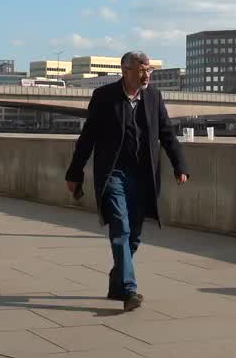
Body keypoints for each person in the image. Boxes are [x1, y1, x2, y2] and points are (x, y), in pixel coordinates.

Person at [65, 51, 189, 312]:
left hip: (143, 176)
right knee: (120, 229)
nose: (146, 75)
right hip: (114, 174)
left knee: (133, 236)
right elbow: (87, 138)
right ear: (125, 71)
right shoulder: (104, 97)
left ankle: (117, 281)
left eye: (149, 70)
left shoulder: (153, 97)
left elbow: (167, 133)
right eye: (141, 70)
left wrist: (180, 165)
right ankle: (130, 290)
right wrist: (75, 172)